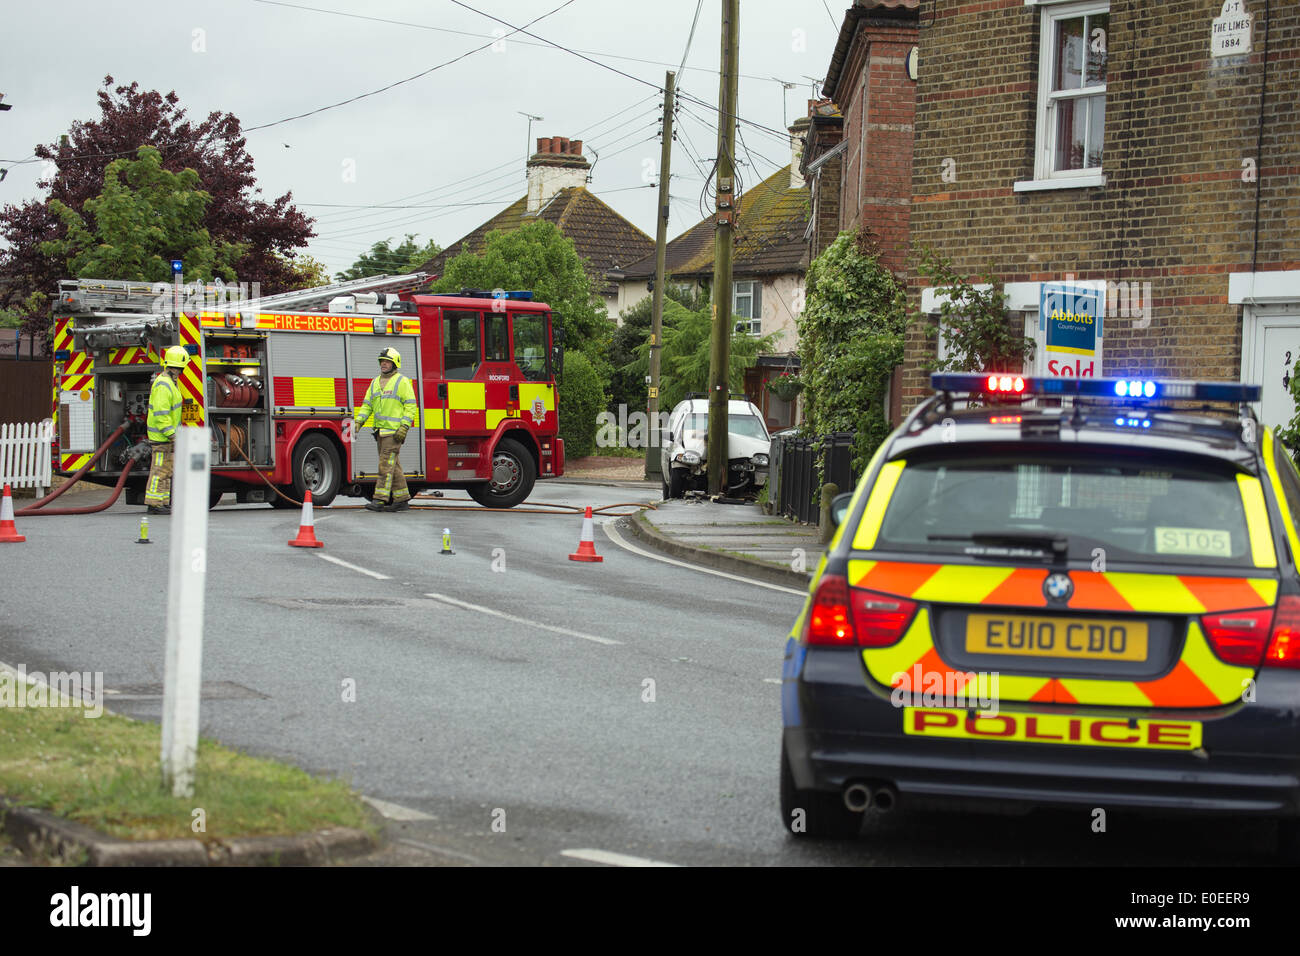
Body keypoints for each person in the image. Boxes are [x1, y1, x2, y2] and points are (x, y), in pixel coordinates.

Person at [353, 347, 418, 512]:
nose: (383, 364)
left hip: (394, 433)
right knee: (393, 465)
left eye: (387, 361)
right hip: (380, 432)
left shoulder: (402, 381)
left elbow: (410, 406)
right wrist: (358, 422)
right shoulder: (375, 382)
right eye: (382, 361)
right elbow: (367, 405)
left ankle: (379, 499)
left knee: (385, 465)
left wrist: (404, 426)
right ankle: (402, 499)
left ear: (395, 363)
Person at [141, 345, 189, 515]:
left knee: (167, 470)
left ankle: (162, 501)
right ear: (180, 367)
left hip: (166, 438)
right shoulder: (163, 385)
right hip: (162, 438)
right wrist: (173, 435)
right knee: (159, 471)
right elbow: (161, 415)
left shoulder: (169, 383)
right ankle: (154, 503)